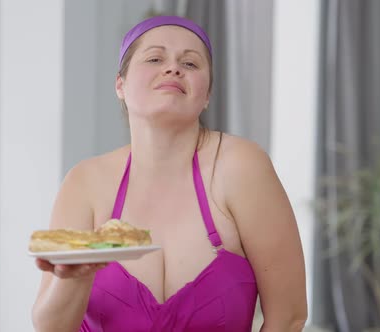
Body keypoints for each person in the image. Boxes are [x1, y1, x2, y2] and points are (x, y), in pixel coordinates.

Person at [32, 15, 307, 332]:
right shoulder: (84, 182)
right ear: (120, 85)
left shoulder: (241, 166)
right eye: (154, 58)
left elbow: (288, 317)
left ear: (206, 96)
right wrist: (73, 279)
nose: (173, 68)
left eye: (190, 64)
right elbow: (51, 327)